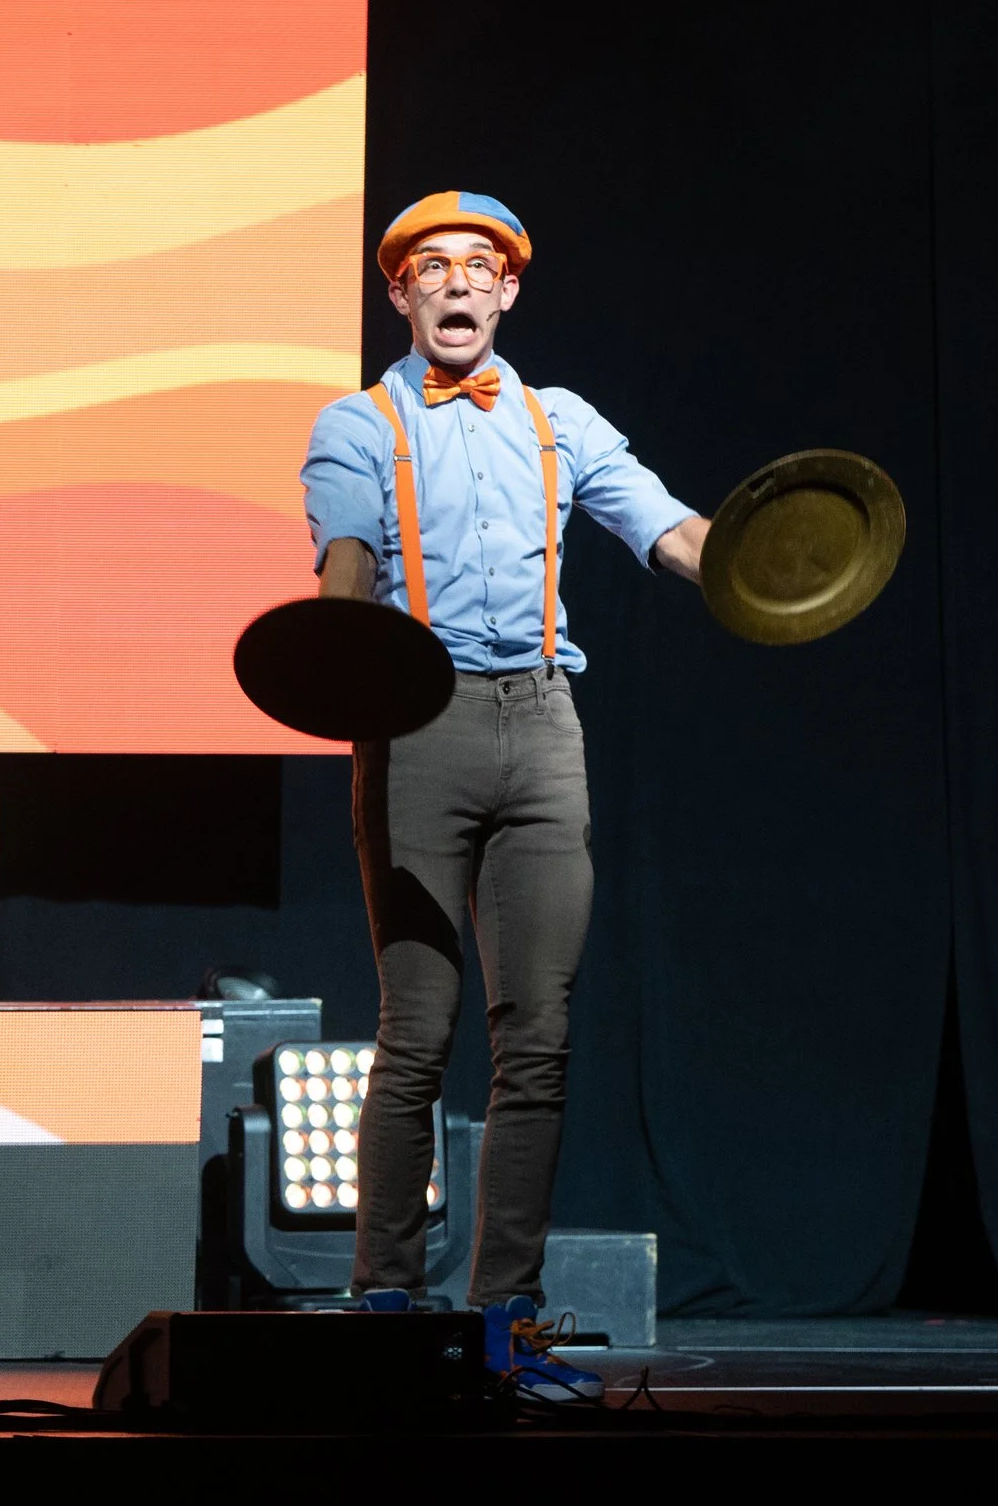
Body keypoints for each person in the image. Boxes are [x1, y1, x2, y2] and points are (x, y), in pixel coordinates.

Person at [298, 193, 710, 1399]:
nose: (457, 284)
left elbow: (667, 529)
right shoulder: (358, 422)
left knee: (537, 1037)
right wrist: (332, 643)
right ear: (401, 294)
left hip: (541, 726)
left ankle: (505, 1321)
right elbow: (345, 561)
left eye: (479, 267)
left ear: (508, 291)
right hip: (415, 725)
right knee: (416, 1031)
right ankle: (384, 1303)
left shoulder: (557, 419)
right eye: (431, 267)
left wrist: (773, 568)